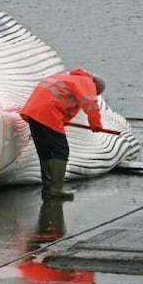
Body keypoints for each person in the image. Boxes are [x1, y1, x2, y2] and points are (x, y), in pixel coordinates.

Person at [19, 68, 107, 200]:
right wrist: (96, 124)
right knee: (61, 151)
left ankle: (48, 189)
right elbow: (91, 104)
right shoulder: (86, 82)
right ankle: (56, 190)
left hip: (33, 113)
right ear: (95, 86)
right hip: (48, 114)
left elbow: (59, 100)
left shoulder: (66, 78)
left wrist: (62, 120)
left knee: (46, 151)